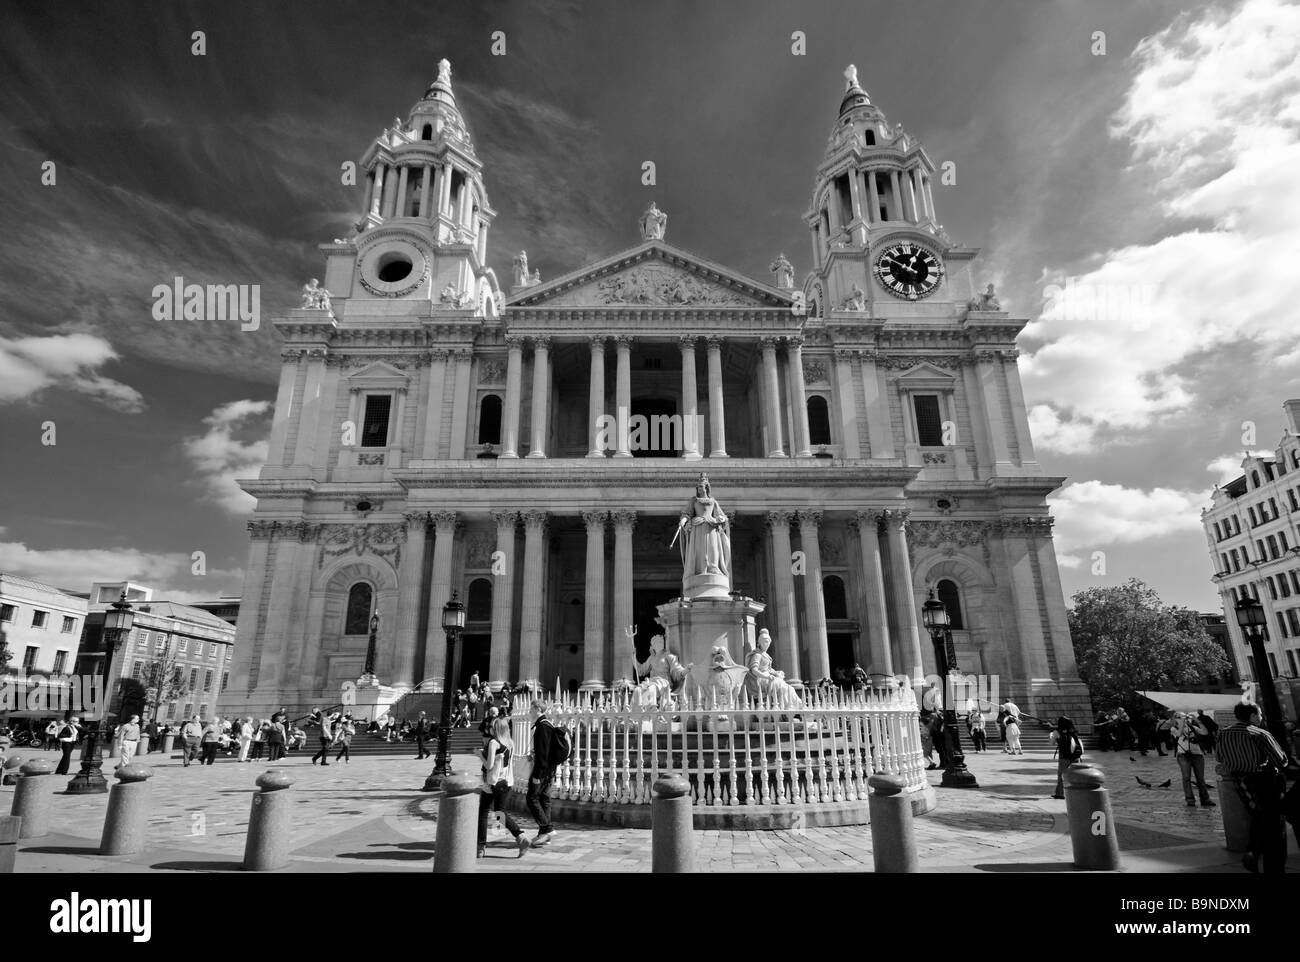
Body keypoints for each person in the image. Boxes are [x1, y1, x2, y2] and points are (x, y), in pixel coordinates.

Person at [1217, 701, 1289, 874]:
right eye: (1260, 713)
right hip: (1264, 781)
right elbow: (1281, 760)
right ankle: (1273, 866)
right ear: (1252, 715)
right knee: (1274, 823)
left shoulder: (1223, 734)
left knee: (1257, 816)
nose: (1261, 717)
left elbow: (1220, 757)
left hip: (1240, 781)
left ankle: (1253, 851)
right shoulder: (1259, 733)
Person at [477, 717, 530, 858]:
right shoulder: (510, 742)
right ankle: (520, 836)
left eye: (492, 726)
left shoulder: (494, 742)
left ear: (496, 728)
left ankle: (480, 846)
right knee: (500, 812)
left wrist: (478, 754)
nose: (489, 728)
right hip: (506, 782)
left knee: (483, 811)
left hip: (493, 782)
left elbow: (489, 765)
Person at [527, 700, 558, 846]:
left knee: (531, 798)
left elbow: (543, 754)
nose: (529, 711)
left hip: (542, 770)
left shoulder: (542, 727)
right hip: (549, 769)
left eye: (531, 709)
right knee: (544, 799)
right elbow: (544, 751)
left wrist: (537, 775)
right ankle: (544, 835)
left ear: (538, 708)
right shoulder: (547, 724)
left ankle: (547, 828)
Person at [1171, 711, 1215, 807]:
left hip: (1197, 754)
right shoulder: (1173, 728)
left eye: (1182, 717)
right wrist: (1182, 722)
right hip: (1183, 755)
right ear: (1174, 719)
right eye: (1178, 717)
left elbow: (1205, 732)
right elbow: (1178, 734)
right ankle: (1190, 800)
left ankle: (1205, 799)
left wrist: (1196, 720)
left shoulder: (1192, 727)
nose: (1181, 718)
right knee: (1186, 777)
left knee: (1200, 778)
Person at [1049, 716, 1083, 798]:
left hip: (1064, 757)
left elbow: (1052, 743)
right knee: (1076, 775)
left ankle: (1060, 794)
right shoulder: (1073, 730)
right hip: (1075, 755)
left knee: (1061, 776)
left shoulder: (1057, 732)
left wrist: (1051, 735)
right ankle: (1078, 792)